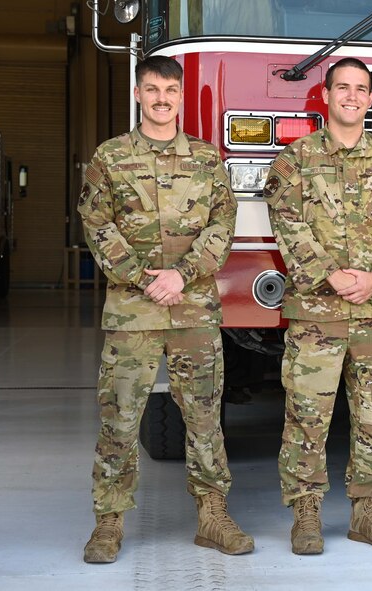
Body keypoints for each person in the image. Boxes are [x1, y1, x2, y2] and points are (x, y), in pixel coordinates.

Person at [78, 55, 253, 563]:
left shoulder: (207, 159)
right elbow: (97, 224)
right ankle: (108, 525)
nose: (161, 98)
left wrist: (183, 274)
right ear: (138, 94)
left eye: (170, 91)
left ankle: (213, 517)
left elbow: (223, 225)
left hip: (193, 309)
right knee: (120, 419)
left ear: (180, 97)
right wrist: (142, 278)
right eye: (151, 89)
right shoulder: (109, 158)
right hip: (133, 313)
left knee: (203, 419)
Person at [263, 57, 372, 555]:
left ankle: (367, 512)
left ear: (370, 98)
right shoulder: (295, 160)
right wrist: (329, 275)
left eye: (361, 89)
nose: (352, 96)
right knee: (308, 414)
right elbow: (287, 221)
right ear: (326, 96)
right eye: (343, 88)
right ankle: (306, 515)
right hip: (317, 314)